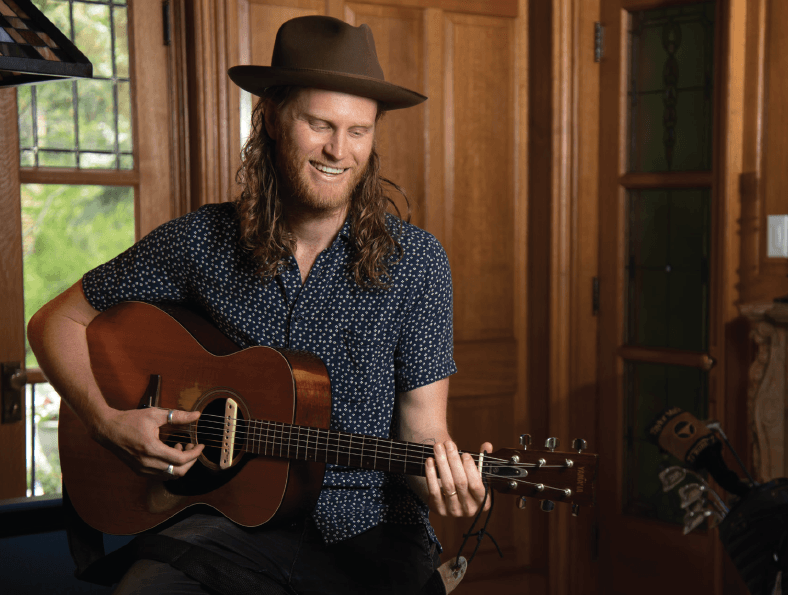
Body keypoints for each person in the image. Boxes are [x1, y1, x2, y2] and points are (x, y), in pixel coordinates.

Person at [27, 15, 489, 595]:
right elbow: (55, 321)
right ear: (271, 116)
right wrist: (108, 421)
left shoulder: (416, 264)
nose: (337, 151)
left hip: (368, 527)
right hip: (228, 525)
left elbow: (424, 432)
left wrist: (449, 483)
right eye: (319, 124)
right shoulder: (201, 242)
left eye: (358, 131)